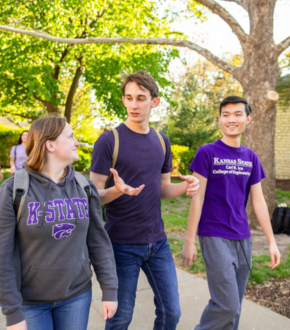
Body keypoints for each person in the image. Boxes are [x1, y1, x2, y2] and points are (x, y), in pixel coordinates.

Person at [90, 70, 200, 330]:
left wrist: (186, 186)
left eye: (141, 98)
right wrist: (117, 191)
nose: (134, 104)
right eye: (128, 98)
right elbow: (92, 196)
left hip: (157, 244)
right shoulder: (109, 141)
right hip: (121, 244)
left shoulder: (162, 142)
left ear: (155, 101)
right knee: (121, 318)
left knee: (171, 312)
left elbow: (163, 189)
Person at [0, 116, 118, 330]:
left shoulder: (84, 187)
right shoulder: (13, 191)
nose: (77, 142)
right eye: (70, 137)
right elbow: (3, 257)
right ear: (50, 145)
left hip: (76, 296)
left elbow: (98, 242)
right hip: (30, 304)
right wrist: (12, 312)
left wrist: (110, 289)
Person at [181, 96, 281, 330]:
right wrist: (189, 240)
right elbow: (198, 197)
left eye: (237, 114)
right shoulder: (207, 153)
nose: (231, 119)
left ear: (248, 118)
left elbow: (258, 201)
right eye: (226, 115)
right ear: (219, 120)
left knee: (235, 308)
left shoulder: (251, 157)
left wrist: (271, 242)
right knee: (226, 305)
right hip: (214, 234)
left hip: (243, 237)